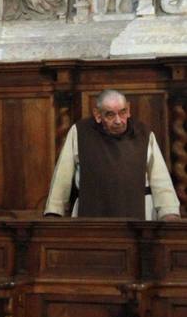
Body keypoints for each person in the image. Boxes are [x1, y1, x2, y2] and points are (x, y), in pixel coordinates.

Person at [44, 90, 182, 220]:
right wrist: (54, 211)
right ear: (98, 115)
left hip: (137, 212)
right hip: (92, 211)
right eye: (110, 115)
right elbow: (63, 174)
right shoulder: (81, 132)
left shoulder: (143, 134)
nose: (118, 120)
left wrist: (169, 211)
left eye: (123, 112)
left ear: (128, 110)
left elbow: (159, 177)